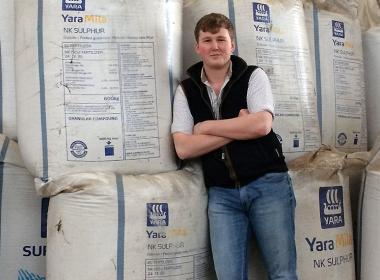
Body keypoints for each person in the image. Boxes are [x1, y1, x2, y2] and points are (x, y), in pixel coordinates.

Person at [171, 13, 297, 280]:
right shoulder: (186, 89)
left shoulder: (253, 76)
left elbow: (261, 125)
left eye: (221, 39)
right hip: (222, 195)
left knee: (282, 274)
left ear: (232, 44)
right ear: (197, 47)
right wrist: (238, 128)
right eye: (207, 40)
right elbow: (183, 147)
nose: (215, 46)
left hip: (268, 184)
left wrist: (205, 128)